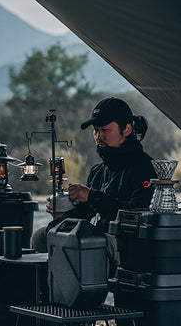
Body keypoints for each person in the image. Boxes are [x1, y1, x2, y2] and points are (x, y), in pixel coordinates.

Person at [31, 97, 156, 265]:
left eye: (105, 130)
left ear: (126, 130)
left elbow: (139, 215)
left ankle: (85, 290)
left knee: (84, 244)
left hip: (127, 243)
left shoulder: (144, 167)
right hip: (98, 236)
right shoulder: (98, 171)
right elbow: (84, 215)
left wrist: (92, 196)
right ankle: (51, 287)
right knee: (42, 237)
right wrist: (64, 215)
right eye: (96, 130)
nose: (98, 136)